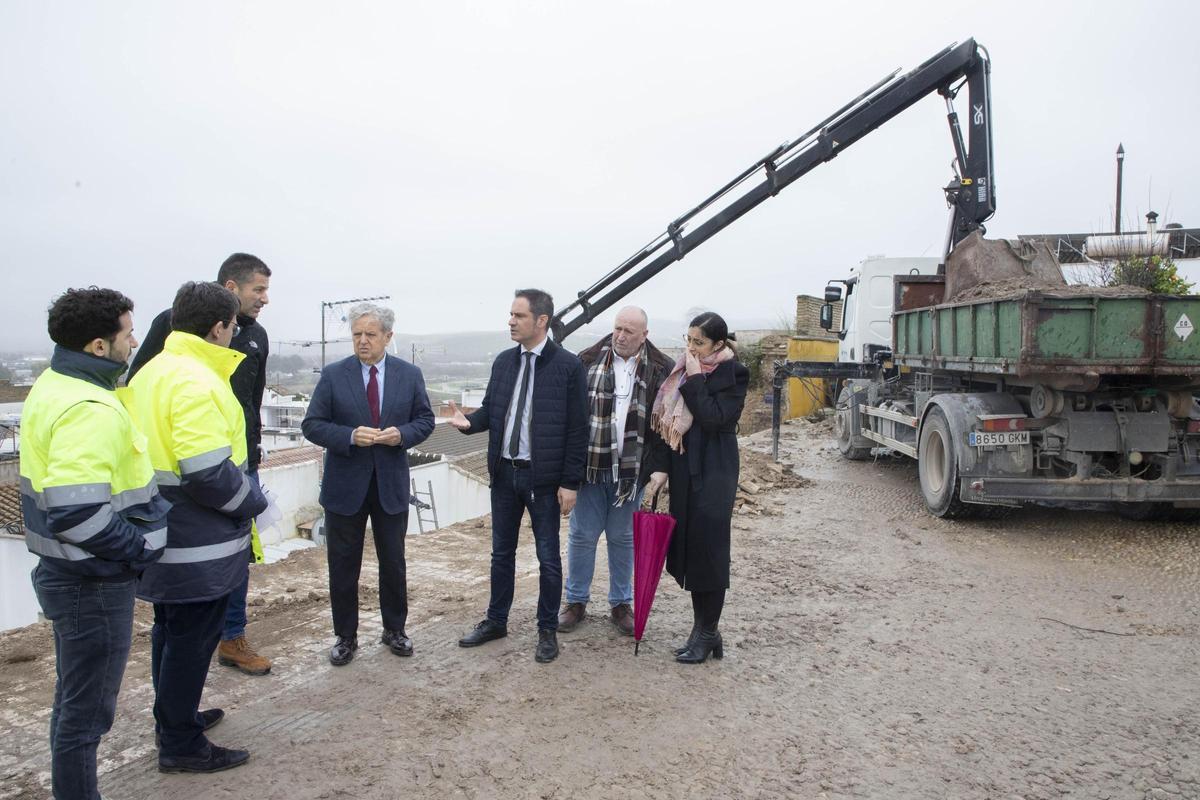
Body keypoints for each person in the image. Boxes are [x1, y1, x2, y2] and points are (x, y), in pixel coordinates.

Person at [20, 288, 168, 800]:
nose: (134, 340)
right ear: (100, 346)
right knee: (86, 716)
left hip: (67, 576)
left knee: (72, 703)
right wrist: (138, 548)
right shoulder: (90, 407)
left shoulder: (54, 383)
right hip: (94, 582)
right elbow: (77, 511)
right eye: (128, 332)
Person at [126, 281, 267, 773]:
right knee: (192, 638)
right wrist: (252, 500)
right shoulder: (194, 379)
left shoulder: (152, 372)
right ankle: (181, 744)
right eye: (232, 325)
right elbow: (206, 470)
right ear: (218, 328)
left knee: (170, 630)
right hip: (196, 540)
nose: (234, 333)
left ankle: (173, 717)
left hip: (162, 532)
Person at [448, 289, 587, 663]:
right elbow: (492, 411)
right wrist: (467, 424)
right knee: (501, 554)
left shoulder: (568, 367)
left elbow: (578, 430)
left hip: (543, 480)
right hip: (505, 475)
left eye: (518, 316)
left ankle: (546, 630)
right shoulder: (504, 362)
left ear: (541, 321)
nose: (510, 321)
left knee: (548, 558)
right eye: (510, 315)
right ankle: (496, 621)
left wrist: (570, 482)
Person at [301, 302, 435, 666]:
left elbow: (424, 420)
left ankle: (395, 629)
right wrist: (348, 436)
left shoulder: (409, 375)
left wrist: (401, 435)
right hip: (345, 486)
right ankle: (345, 636)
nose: (362, 342)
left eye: (370, 335)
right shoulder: (333, 375)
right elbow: (312, 425)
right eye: (357, 335)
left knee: (393, 562)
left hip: (389, 484)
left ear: (388, 337)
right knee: (343, 564)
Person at [558, 306, 674, 635]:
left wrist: (660, 467)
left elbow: (664, 423)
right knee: (582, 536)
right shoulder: (587, 360)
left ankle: (621, 603)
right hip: (591, 468)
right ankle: (576, 601)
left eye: (629, 332)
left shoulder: (661, 368)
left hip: (631, 472)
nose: (620, 336)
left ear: (644, 336)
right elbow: (572, 419)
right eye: (617, 328)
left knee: (623, 538)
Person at [650, 311, 748, 664]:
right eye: (688, 339)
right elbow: (665, 424)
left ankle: (707, 633)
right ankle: (702, 630)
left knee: (710, 552)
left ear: (718, 344)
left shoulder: (733, 373)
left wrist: (694, 379)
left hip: (715, 471)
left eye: (699, 342)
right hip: (684, 471)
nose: (690, 348)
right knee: (691, 550)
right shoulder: (680, 371)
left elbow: (713, 417)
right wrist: (661, 469)